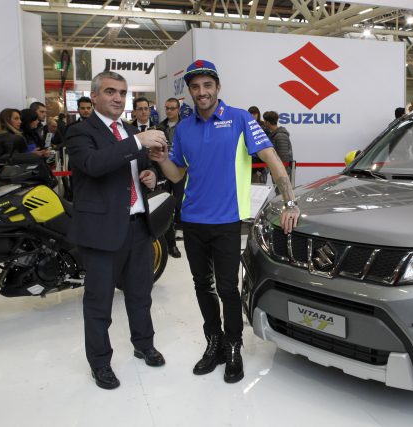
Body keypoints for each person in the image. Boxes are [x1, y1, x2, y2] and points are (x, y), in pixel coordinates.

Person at [150, 59, 300, 384]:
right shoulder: (184, 128)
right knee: (201, 285)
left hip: (227, 222)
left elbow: (272, 159)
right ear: (190, 91)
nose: (201, 92)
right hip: (192, 221)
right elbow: (176, 174)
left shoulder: (240, 119)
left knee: (228, 288)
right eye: (195, 87)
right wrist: (162, 161)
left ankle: (233, 345)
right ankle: (214, 342)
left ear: (217, 87)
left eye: (207, 85)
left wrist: (290, 201)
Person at [66, 70, 168, 390]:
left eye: (122, 93)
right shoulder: (80, 132)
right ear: (94, 95)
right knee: (99, 303)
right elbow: (94, 164)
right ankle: (100, 363)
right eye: (110, 91)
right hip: (102, 231)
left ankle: (144, 344)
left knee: (140, 295)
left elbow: (141, 169)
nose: (118, 98)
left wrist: (150, 176)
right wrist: (137, 141)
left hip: (138, 227)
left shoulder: (129, 130)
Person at [154, 97, 183, 259]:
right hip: (163, 172)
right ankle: (169, 242)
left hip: (180, 170)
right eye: (167, 108)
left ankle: (179, 229)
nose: (169, 111)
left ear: (178, 109)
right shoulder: (159, 127)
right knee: (165, 204)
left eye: (172, 108)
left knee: (179, 202)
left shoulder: (186, 126)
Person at [263, 111, 293, 180]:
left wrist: (281, 174)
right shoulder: (273, 135)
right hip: (277, 171)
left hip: (281, 173)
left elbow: (284, 157)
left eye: (265, 121)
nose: (264, 123)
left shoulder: (280, 136)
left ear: (268, 122)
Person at [248, 106, 267, 183]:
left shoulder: (263, 127)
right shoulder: (246, 126)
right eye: (251, 114)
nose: (253, 116)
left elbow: (266, 149)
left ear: (258, 114)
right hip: (248, 164)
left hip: (259, 165)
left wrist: (260, 169)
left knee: (259, 187)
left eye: (255, 114)